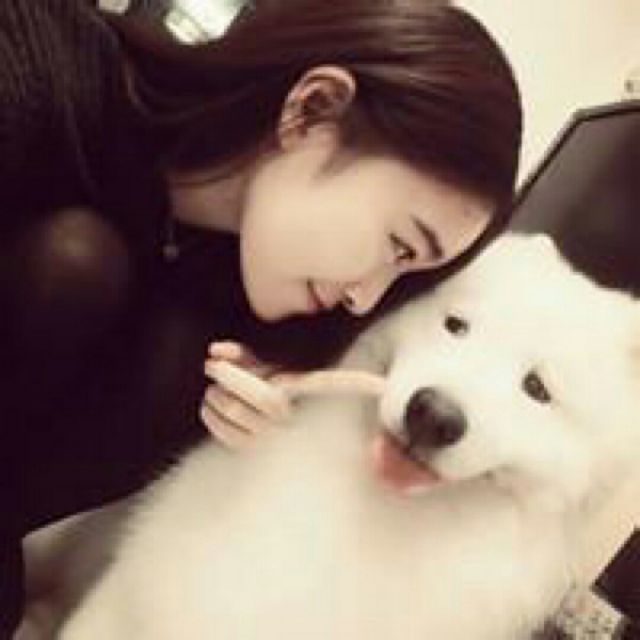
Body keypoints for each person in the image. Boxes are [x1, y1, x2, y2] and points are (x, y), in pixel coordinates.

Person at [0, 0, 522, 635]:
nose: (364, 298)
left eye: (404, 275)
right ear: (312, 111)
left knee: (182, 358)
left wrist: (245, 394)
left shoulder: (216, 283)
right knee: (77, 260)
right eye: (399, 245)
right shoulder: (37, 68)